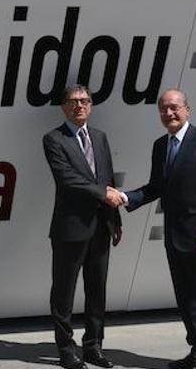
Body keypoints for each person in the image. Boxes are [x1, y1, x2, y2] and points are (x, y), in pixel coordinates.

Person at [108, 88, 196, 369]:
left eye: (174, 107)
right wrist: (126, 198)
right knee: (186, 299)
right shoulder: (161, 146)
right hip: (175, 237)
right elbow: (156, 187)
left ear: (187, 109)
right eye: (163, 109)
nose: (169, 113)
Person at [42, 85, 123, 369]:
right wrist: (103, 194)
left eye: (85, 101)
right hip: (71, 228)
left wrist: (115, 220)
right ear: (63, 107)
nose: (80, 106)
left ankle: (93, 346)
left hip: (101, 226)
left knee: (97, 291)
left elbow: (108, 177)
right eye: (74, 101)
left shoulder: (99, 138)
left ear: (91, 105)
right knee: (63, 292)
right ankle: (65, 348)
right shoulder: (53, 139)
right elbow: (67, 179)